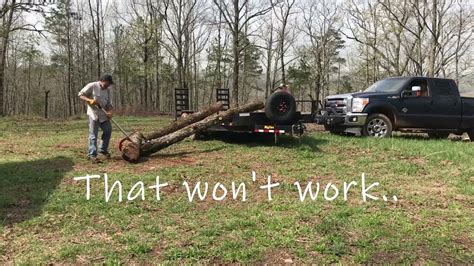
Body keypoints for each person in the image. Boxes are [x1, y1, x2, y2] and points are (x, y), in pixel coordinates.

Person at [78, 74, 114, 163]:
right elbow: (80, 95)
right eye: (107, 83)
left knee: (108, 130)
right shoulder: (92, 86)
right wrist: (89, 100)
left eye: (109, 84)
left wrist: (110, 112)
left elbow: (109, 104)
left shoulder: (108, 90)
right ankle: (92, 155)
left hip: (104, 115)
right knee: (93, 135)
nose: (107, 86)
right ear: (102, 80)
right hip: (93, 114)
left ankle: (103, 149)